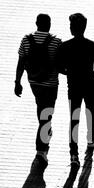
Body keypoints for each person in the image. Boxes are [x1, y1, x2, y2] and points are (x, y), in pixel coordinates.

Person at [14, 14, 62, 168]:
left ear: (36, 24)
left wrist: (17, 82)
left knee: (42, 110)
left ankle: (45, 130)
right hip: (51, 84)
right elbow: (61, 65)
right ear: (49, 24)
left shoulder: (26, 40)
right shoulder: (56, 42)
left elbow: (21, 61)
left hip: (34, 83)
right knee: (45, 117)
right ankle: (41, 152)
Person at [57, 13, 94, 167]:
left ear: (72, 28)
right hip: (90, 84)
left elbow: (59, 67)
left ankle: (73, 154)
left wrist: (68, 72)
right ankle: (90, 140)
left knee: (74, 118)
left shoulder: (64, 47)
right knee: (90, 112)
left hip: (74, 86)